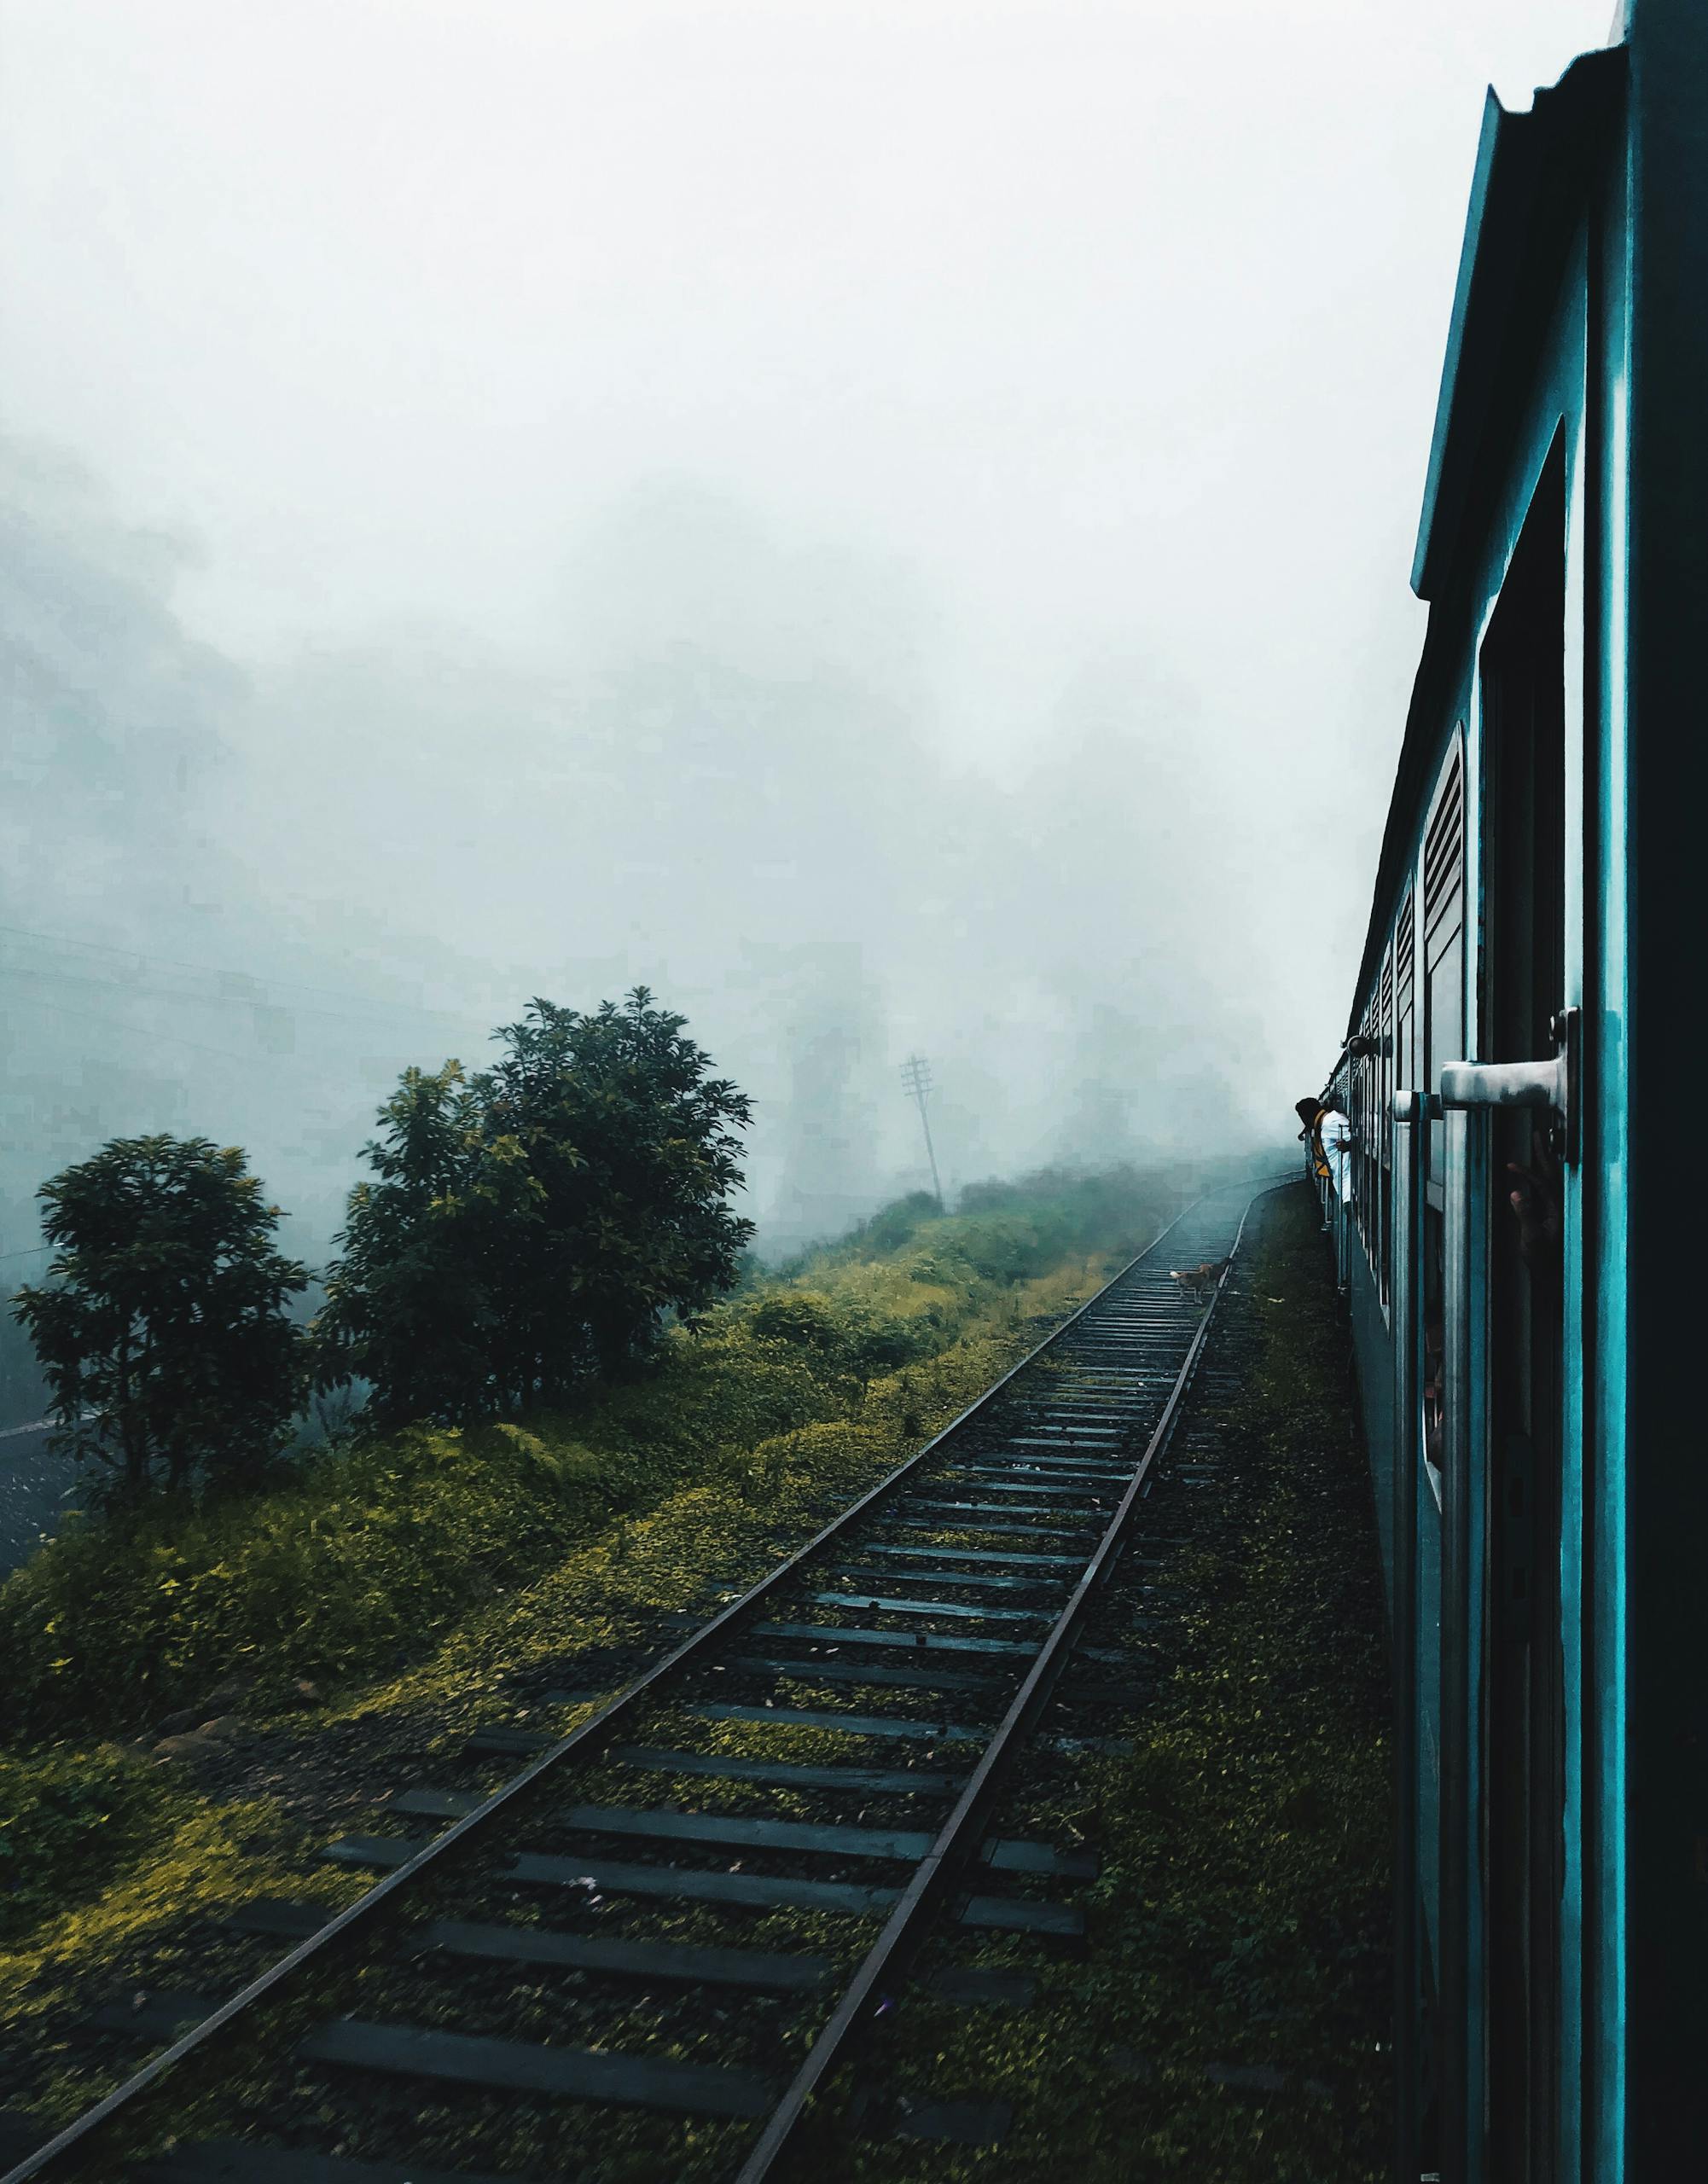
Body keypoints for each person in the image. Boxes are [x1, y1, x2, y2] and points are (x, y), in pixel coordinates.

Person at [1295, 1094, 1354, 1205]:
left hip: (1349, 1187)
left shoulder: (1331, 1123)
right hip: (1344, 1185)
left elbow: (1358, 1139)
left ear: (1306, 1117)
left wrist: (1350, 1144)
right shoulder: (1324, 1123)